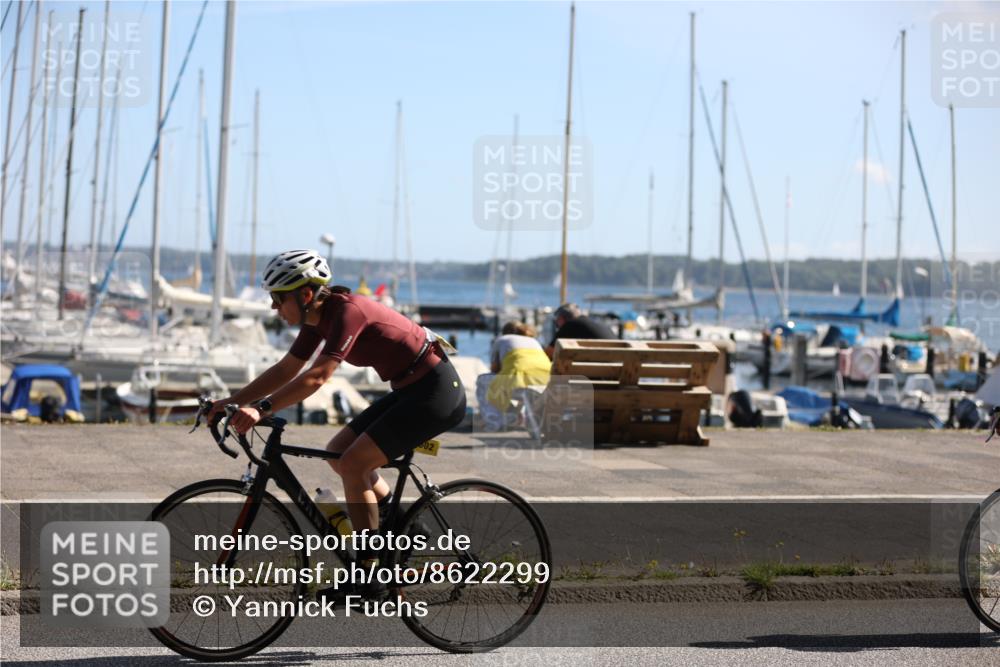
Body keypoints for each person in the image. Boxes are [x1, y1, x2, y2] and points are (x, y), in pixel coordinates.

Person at [209, 249, 466, 594]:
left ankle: (368, 573)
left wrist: (263, 408)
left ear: (305, 294)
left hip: (436, 393)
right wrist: (231, 402)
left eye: (278, 298)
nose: (273, 307)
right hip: (410, 390)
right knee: (338, 451)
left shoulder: (347, 312)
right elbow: (287, 369)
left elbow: (318, 377)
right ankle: (405, 526)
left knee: (354, 463)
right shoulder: (317, 319)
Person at [476, 321, 550, 431]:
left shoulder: (502, 339)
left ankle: (494, 423)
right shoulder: (534, 341)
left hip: (519, 381)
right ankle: (514, 417)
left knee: (483, 381)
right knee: (509, 385)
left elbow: (494, 369)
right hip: (545, 381)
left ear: (504, 332)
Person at [544, 302, 616, 358]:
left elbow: (548, 354)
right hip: (615, 369)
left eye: (557, 320)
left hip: (593, 371)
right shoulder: (602, 325)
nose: (557, 324)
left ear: (562, 319)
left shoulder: (569, 325)